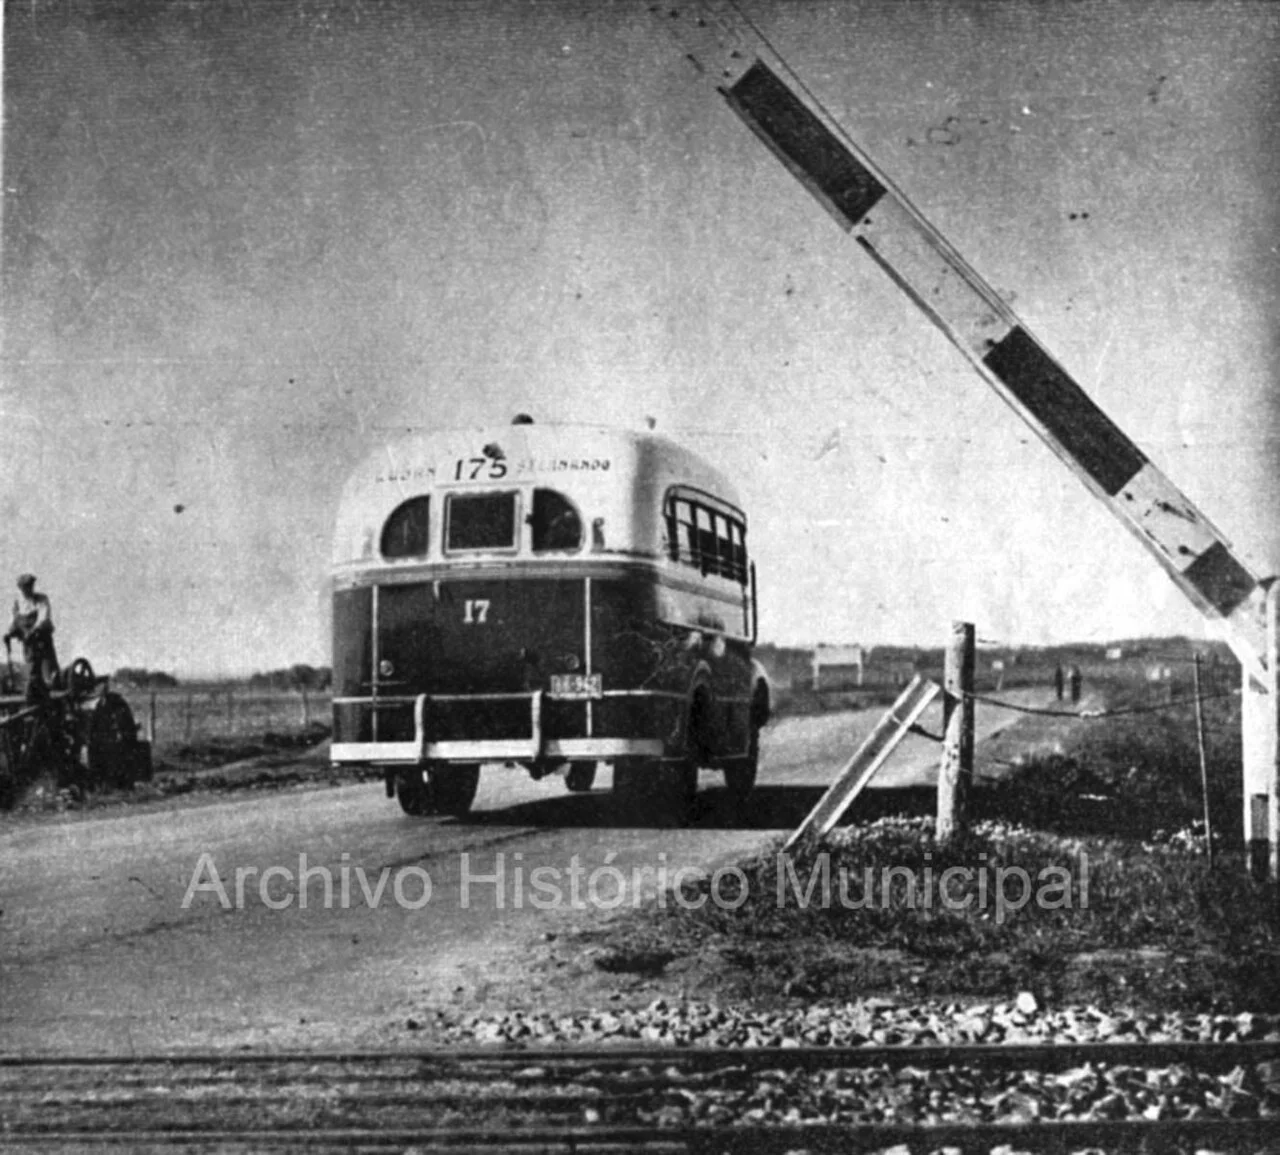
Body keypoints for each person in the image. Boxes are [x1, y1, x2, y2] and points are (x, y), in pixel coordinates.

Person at [4, 574, 59, 701]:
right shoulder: (18, 604)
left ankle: (50, 689)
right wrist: (9, 633)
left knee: (47, 669)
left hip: (42, 641)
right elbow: (13, 621)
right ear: (20, 588)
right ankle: (34, 693)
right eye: (24, 587)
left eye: (29, 587)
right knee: (31, 668)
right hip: (28, 644)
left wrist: (34, 630)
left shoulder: (41, 599)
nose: (27, 590)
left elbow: (43, 617)